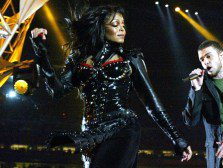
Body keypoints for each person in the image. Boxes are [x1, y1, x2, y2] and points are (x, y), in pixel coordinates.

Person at [30, 4, 192, 168]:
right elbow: (56, 91)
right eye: (115, 25)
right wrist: (41, 52)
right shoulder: (78, 58)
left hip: (122, 128)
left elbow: (152, 102)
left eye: (123, 25)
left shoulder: (130, 59)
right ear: (100, 28)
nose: (122, 29)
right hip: (91, 131)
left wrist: (176, 137)